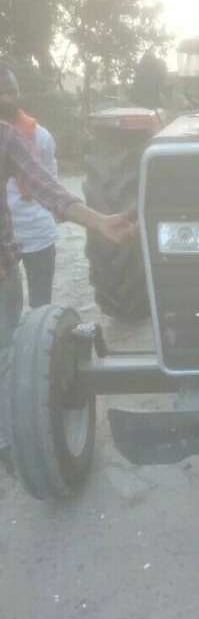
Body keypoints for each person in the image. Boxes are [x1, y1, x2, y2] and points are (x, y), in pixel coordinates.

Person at [0, 119, 137, 473]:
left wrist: (99, 221)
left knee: (5, 357)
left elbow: (48, 188)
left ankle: (7, 443)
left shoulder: (6, 135)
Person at [0, 64, 59, 307]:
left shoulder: (41, 137)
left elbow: (52, 187)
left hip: (38, 233)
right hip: (4, 243)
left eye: (12, 91)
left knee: (40, 309)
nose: (6, 99)